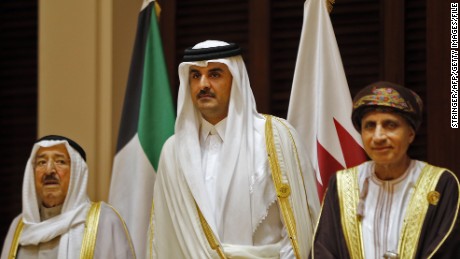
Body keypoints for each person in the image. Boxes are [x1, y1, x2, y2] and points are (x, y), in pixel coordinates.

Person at [148, 40, 320, 258]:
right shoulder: (173, 152)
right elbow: (163, 238)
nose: (203, 85)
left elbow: (299, 229)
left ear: (236, 80)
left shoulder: (275, 137)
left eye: (215, 74)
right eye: (195, 76)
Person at [311, 81, 460, 258]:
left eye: (390, 125)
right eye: (370, 126)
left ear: (410, 134)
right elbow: (324, 249)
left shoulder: (440, 183)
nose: (378, 136)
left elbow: (446, 249)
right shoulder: (342, 183)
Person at [1, 135, 136, 259]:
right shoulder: (19, 226)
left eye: (60, 161)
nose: (49, 170)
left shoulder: (104, 221)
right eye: (42, 162)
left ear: (77, 174)